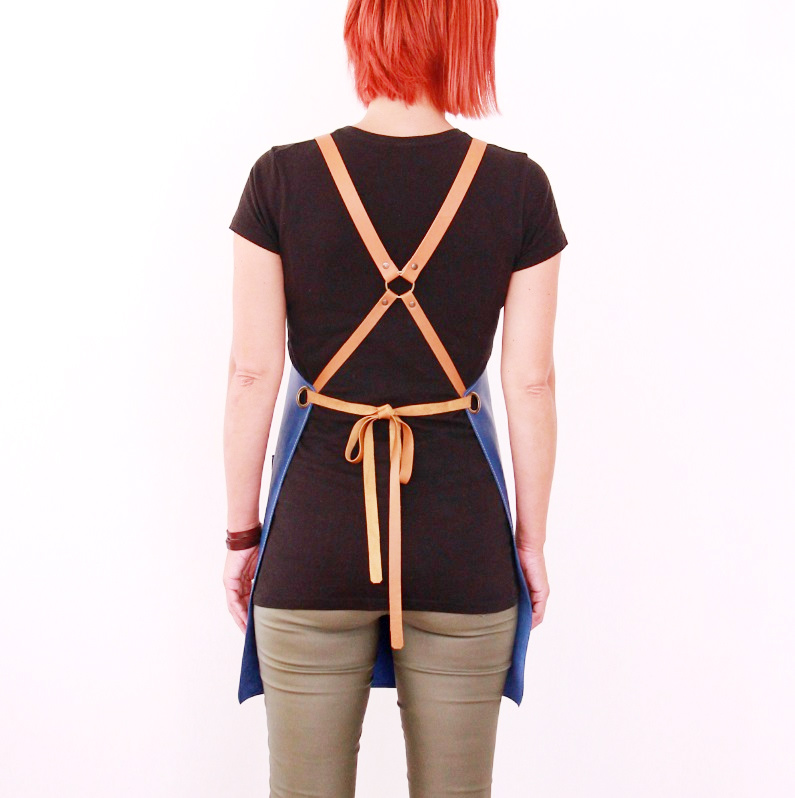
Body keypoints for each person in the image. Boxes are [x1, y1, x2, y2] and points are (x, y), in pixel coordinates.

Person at [222, 1, 566, 795]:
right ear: (470, 40)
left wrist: (243, 536)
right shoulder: (517, 186)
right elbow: (530, 382)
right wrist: (529, 542)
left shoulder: (280, 178)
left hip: (313, 537)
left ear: (362, 34)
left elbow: (250, 375)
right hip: (462, 540)